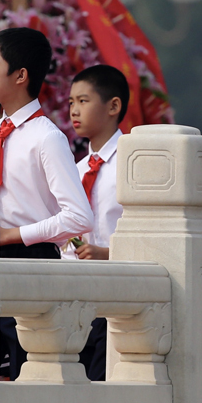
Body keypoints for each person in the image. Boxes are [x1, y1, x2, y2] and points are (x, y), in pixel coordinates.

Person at [0, 27, 93, 381]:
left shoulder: (47, 137)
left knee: (23, 371)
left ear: (20, 76)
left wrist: (13, 234)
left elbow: (79, 217)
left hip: (31, 260)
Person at [67, 64, 128, 381]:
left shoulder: (133, 164)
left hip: (118, 296)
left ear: (113, 106)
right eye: (71, 103)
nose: (74, 111)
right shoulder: (74, 170)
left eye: (84, 101)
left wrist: (108, 252)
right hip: (78, 301)